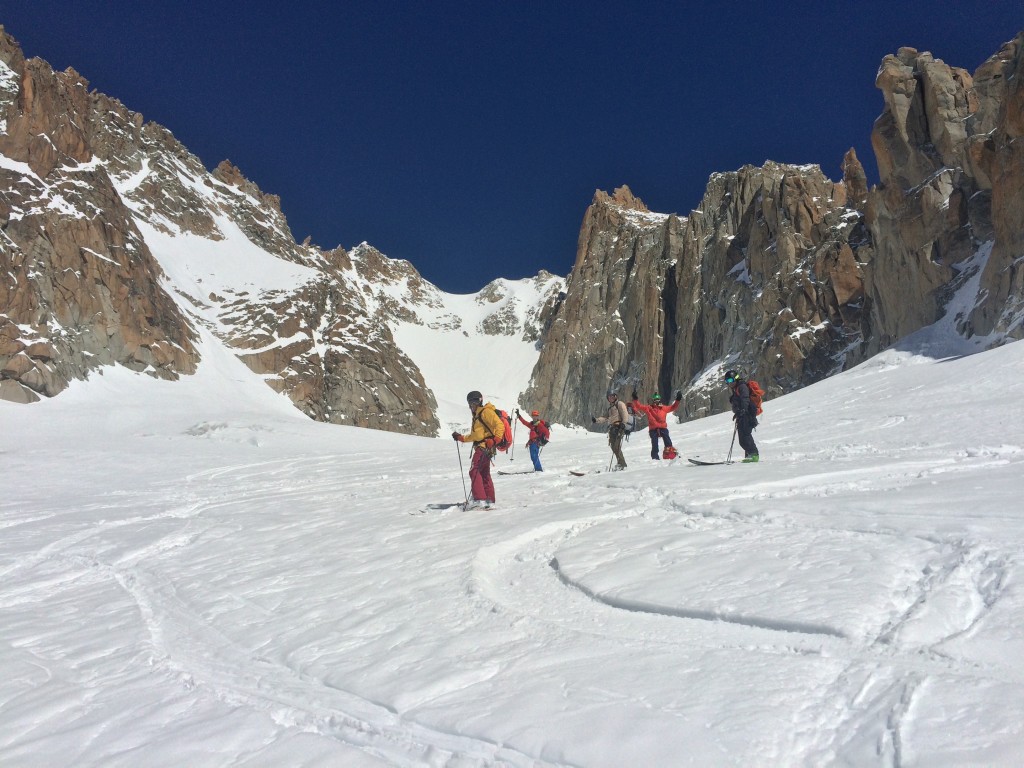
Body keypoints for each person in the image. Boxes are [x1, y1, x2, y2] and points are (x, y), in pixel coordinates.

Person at [452, 390, 505, 508]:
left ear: (480, 401)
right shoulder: (477, 416)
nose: (472, 405)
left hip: (484, 447)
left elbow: (499, 425)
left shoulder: (485, 412)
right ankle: (489, 500)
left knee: (474, 471)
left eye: (475, 402)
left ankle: (479, 500)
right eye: (470, 403)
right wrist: (461, 438)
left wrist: (495, 440)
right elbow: (476, 436)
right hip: (485, 447)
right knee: (484, 473)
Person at [631, 390, 682, 459]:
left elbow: (673, 407)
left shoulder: (664, 408)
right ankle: (655, 458)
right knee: (655, 445)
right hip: (653, 429)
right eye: (655, 400)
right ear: (653, 400)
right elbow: (639, 406)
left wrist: (678, 399)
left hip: (663, 428)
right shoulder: (649, 408)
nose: (656, 401)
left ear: (659, 400)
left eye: (657, 400)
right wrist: (635, 398)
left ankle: (670, 455)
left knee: (668, 442)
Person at [725, 370, 759, 462]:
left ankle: (754, 455)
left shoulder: (742, 387)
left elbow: (745, 399)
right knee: (743, 437)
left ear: (736, 378)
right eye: (727, 381)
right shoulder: (736, 388)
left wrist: (743, 410)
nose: (729, 383)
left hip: (747, 415)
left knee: (745, 436)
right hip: (742, 415)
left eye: (731, 380)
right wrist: (738, 413)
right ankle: (749, 455)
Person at [592, 389, 629, 470]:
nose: (611, 398)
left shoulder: (619, 404)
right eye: (609, 397)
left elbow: (625, 413)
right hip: (613, 428)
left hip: (619, 427)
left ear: (615, 396)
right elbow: (605, 418)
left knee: (616, 446)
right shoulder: (610, 408)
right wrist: (596, 420)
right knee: (613, 446)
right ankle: (620, 464)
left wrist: (624, 423)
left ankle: (622, 464)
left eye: (612, 396)